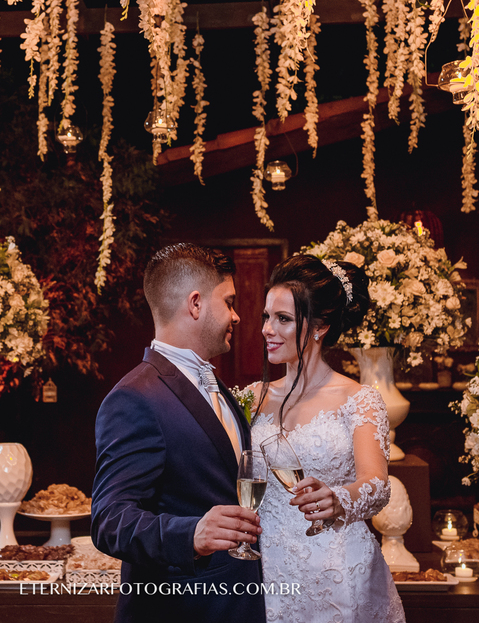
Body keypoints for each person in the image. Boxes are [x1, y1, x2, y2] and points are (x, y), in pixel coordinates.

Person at [92, 243, 265, 623]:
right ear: (196, 304)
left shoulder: (216, 384)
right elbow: (109, 520)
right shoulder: (134, 398)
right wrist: (191, 534)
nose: (236, 316)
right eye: (230, 302)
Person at [250, 254, 405, 623]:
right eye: (266, 317)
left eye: (283, 319)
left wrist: (339, 498)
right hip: (265, 570)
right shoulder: (251, 397)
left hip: (336, 571)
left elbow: (377, 484)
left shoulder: (359, 399)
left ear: (319, 327)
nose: (267, 330)